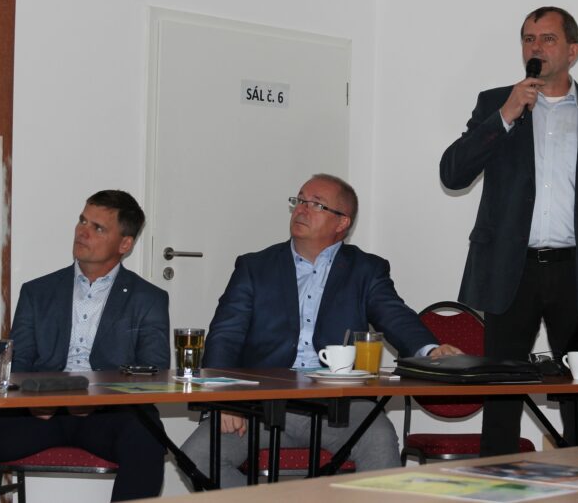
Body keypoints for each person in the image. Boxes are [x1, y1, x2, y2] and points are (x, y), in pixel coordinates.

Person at [440, 6, 578, 454]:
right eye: (529, 39)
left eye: (548, 39)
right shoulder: (496, 103)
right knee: (502, 394)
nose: (536, 47)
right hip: (511, 270)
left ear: (573, 51)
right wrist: (505, 116)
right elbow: (452, 174)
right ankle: (496, 481)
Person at [180, 173, 460, 486]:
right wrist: (223, 398)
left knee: (379, 438)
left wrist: (429, 350)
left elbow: (395, 316)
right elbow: (225, 334)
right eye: (299, 200)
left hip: (338, 405)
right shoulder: (255, 266)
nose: (302, 209)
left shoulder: (366, 269)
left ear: (342, 222)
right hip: (260, 403)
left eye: (316, 204)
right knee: (197, 457)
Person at [0, 190, 170, 502]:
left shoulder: (149, 299)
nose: (82, 231)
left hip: (110, 414)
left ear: (125, 244)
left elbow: (154, 372)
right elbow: (18, 364)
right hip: (40, 412)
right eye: (82, 221)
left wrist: (98, 400)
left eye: (98, 227)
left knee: (147, 436)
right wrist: (32, 400)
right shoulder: (38, 292)